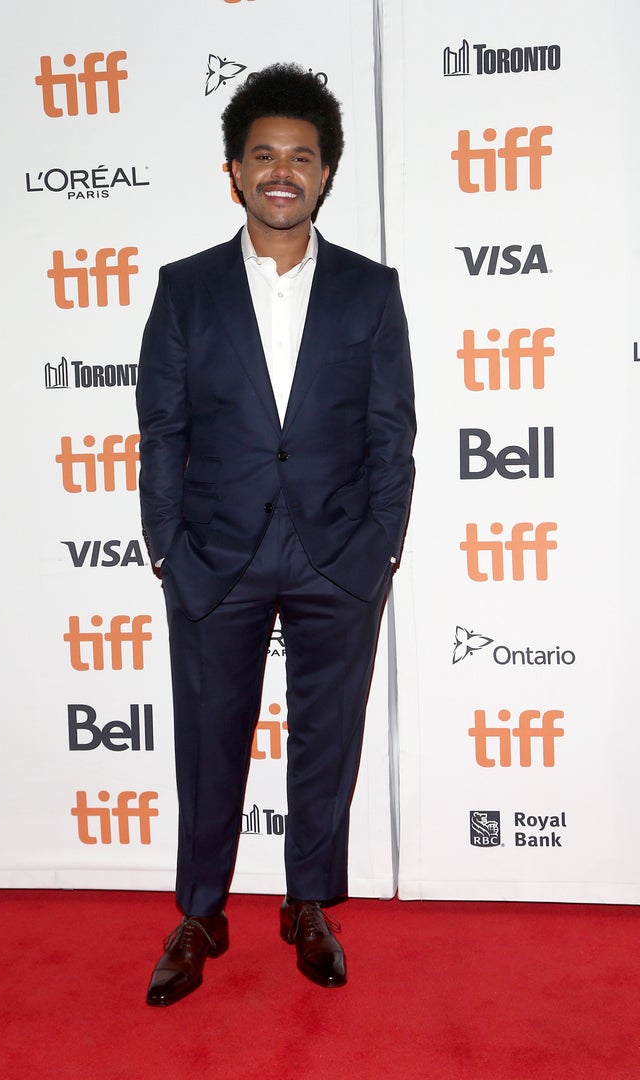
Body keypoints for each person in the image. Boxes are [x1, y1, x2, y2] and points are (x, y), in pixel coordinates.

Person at [136, 62, 415, 1007]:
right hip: (216, 555)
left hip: (337, 555)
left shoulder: (372, 292)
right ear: (235, 171)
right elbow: (161, 431)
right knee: (209, 740)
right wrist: (168, 549)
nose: (282, 172)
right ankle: (202, 912)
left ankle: (307, 904)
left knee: (325, 742)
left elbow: (392, 434)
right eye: (264, 156)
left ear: (327, 173)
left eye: (302, 156)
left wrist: (379, 551)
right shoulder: (186, 288)